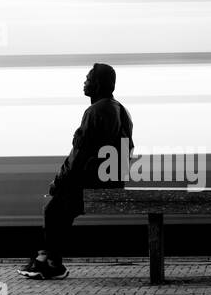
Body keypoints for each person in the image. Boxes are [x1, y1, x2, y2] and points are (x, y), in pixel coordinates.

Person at [18, 63, 133, 280]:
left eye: (88, 78)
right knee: (61, 210)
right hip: (112, 180)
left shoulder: (95, 111)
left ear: (98, 83)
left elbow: (79, 155)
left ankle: (49, 261)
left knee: (52, 209)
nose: (85, 81)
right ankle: (49, 259)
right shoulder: (121, 110)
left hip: (94, 182)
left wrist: (59, 181)